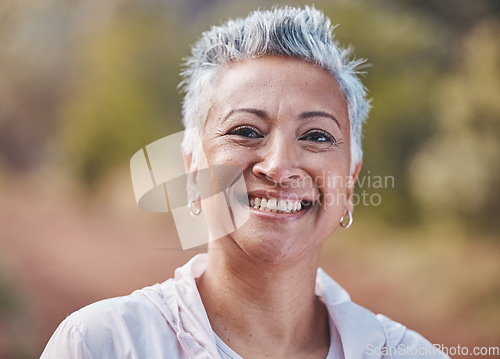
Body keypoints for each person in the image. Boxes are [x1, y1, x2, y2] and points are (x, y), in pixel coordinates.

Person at [41, 6, 450, 358]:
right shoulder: (101, 345)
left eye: (317, 136)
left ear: (350, 185)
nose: (278, 166)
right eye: (246, 131)